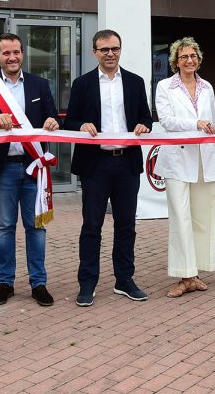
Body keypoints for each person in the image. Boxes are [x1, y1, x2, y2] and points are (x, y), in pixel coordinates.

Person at [0, 33, 61, 307]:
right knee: (5, 226)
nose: (12, 57)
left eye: (16, 52)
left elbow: (51, 115)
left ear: (22, 54)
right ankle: (5, 283)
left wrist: (52, 121)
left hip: (33, 167)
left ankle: (38, 283)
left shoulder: (39, 84)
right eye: (6, 53)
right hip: (3, 168)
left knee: (36, 228)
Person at [64, 29, 153, 307]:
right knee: (92, 225)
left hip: (127, 163)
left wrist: (143, 125)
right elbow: (70, 120)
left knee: (126, 225)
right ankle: (87, 284)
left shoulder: (136, 82)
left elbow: (145, 117)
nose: (110, 54)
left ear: (120, 49)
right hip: (95, 165)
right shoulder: (82, 83)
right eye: (104, 49)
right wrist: (80, 125)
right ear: (95, 52)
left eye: (114, 48)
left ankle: (124, 279)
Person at [154, 37, 215, 297]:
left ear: (199, 59)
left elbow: (212, 122)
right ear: (175, 61)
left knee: (202, 218)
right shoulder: (164, 87)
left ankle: (196, 273)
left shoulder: (208, 87)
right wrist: (196, 124)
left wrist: (208, 129)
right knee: (181, 220)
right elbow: (167, 122)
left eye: (193, 56)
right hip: (177, 162)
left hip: (205, 160)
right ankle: (184, 276)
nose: (189, 60)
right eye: (183, 57)